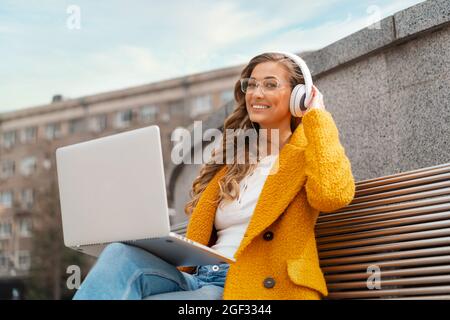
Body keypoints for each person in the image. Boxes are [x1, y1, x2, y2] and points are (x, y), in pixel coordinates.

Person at [73, 52, 355, 300]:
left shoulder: (309, 152)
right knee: (120, 255)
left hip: (256, 287)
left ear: (299, 96)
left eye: (270, 84)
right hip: (202, 277)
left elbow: (332, 195)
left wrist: (317, 118)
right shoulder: (235, 161)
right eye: (252, 84)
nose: (257, 93)